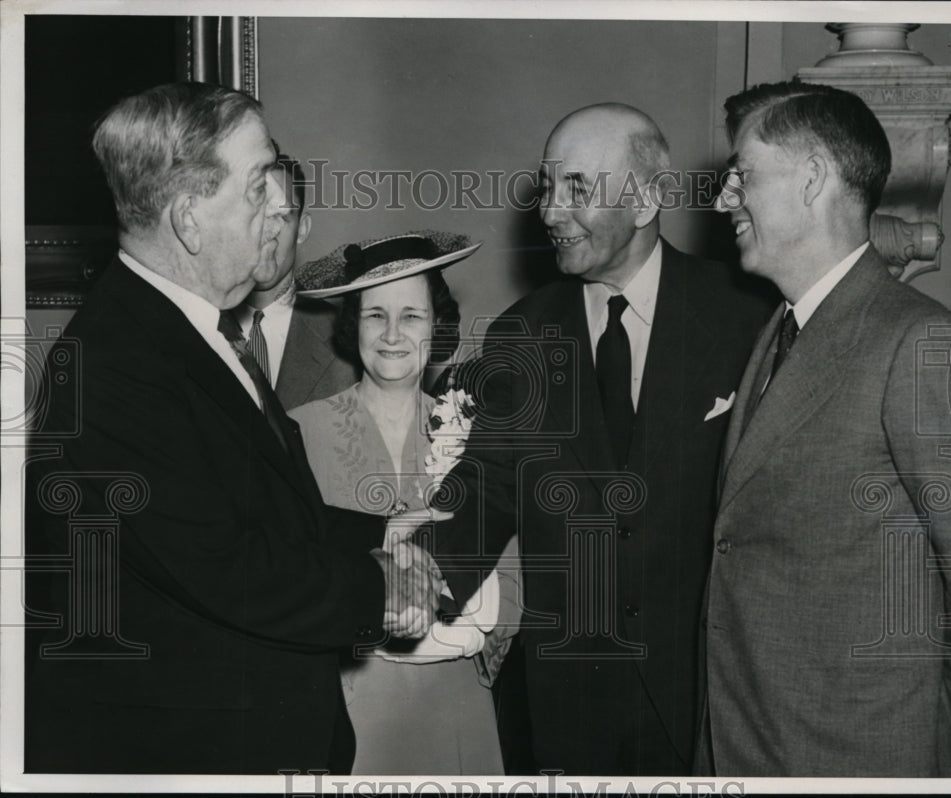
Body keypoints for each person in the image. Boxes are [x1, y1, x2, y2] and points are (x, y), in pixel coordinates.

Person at [24, 82, 441, 775]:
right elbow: (227, 565)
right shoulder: (113, 367)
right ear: (190, 220)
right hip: (197, 756)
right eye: (259, 186)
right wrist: (380, 589)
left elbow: (246, 505)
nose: (283, 203)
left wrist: (376, 531)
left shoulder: (184, 329)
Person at [428, 103, 771, 775]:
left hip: (706, 698)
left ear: (646, 198)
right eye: (548, 190)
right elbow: (490, 485)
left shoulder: (745, 320)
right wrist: (420, 568)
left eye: (576, 189)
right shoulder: (522, 333)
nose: (551, 213)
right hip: (569, 706)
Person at [698, 80, 951, 777]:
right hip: (745, 747)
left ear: (814, 177)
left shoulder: (922, 344)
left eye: (742, 176)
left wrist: (936, 754)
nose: (722, 198)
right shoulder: (776, 333)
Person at [289, 232, 520, 775]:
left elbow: (514, 575)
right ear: (353, 326)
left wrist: (469, 629)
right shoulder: (299, 431)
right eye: (375, 316)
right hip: (346, 710)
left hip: (456, 707)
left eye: (411, 315)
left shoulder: (477, 437)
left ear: (437, 325)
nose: (392, 334)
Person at [238, 151, 357, 410]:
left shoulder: (347, 338)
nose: (264, 233)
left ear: (302, 229)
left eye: (280, 217)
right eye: (253, 216)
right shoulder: (194, 325)